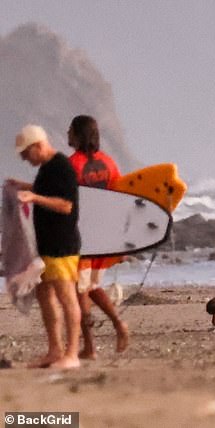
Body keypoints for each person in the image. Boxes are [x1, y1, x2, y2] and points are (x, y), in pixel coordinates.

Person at [10, 124, 82, 368]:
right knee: (44, 295)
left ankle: (72, 354)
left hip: (63, 246)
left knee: (66, 296)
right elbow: (47, 191)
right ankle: (54, 350)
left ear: (38, 146)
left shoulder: (61, 166)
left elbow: (66, 205)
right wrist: (25, 186)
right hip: (47, 245)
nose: (23, 158)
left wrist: (34, 197)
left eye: (25, 153)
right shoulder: (46, 169)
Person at [67, 115, 128, 359]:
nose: (67, 133)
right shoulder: (109, 163)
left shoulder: (72, 164)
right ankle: (118, 324)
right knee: (90, 287)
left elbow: (67, 202)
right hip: (103, 236)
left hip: (81, 235)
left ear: (79, 135)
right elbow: (120, 198)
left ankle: (90, 347)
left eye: (71, 130)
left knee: (79, 290)